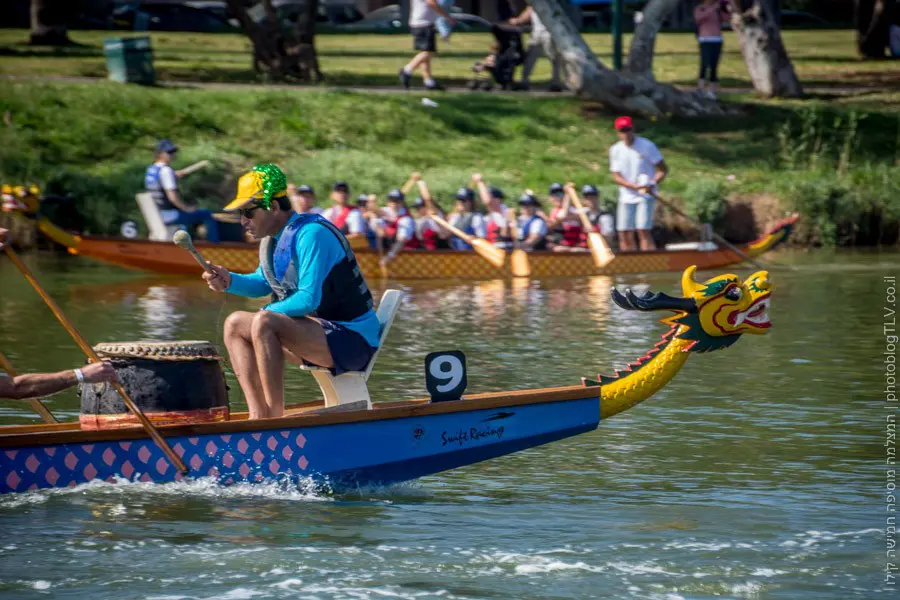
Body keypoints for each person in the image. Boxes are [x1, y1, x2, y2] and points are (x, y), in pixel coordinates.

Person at [201, 164, 380, 420]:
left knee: (265, 320)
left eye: (249, 212)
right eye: (241, 213)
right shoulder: (273, 240)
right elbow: (263, 283)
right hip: (320, 334)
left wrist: (265, 315)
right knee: (235, 324)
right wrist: (229, 280)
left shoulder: (313, 234)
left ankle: (274, 418)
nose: (243, 221)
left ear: (273, 207)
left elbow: (308, 299)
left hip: (354, 342)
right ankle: (258, 416)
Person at [144, 139, 221, 242]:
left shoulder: (152, 169)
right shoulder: (166, 171)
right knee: (207, 215)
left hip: (157, 214)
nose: (173, 154)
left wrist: (174, 175)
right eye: (169, 152)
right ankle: (214, 246)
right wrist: (186, 208)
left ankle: (189, 244)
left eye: (173, 151)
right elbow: (172, 197)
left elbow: (160, 181)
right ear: (160, 154)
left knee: (189, 218)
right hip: (168, 215)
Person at [609, 116, 668, 252]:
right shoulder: (615, 150)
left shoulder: (647, 146)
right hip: (626, 195)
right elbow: (616, 176)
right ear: (618, 132)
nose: (626, 133)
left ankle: (648, 258)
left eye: (628, 129)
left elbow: (663, 170)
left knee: (642, 229)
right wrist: (632, 186)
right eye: (622, 130)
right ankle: (629, 260)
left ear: (633, 129)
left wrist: (652, 183)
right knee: (624, 231)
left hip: (645, 194)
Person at [508, 1, 564, 92]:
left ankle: (556, 82)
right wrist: (518, 20)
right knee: (531, 56)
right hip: (538, 32)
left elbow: (529, 11)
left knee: (552, 57)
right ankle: (525, 81)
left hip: (549, 31)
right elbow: (529, 10)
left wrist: (517, 20)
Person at [399, 0, 455, 91]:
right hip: (424, 24)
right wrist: (446, 16)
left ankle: (429, 82)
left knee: (425, 55)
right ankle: (406, 70)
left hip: (419, 22)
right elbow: (431, 2)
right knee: (428, 52)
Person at [693, 0, 729, 99]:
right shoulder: (700, 8)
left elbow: (726, 19)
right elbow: (699, 18)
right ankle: (700, 89)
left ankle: (712, 91)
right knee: (704, 64)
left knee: (714, 66)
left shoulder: (718, 10)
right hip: (705, 39)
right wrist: (712, 8)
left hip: (717, 40)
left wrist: (725, 9)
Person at [381, 189, 420, 266]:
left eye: (397, 201)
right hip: (389, 250)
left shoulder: (406, 220)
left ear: (401, 203)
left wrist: (389, 256)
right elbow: (375, 211)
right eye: (392, 200)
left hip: (407, 255)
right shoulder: (386, 211)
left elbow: (401, 240)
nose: (394, 203)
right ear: (388, 202)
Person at [473, 174, 511, 249]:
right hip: (492, 249)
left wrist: (480, 182)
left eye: (490, 196)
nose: (488, 199)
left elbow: (487, 201)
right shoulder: (489, 216)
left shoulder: (507, 213)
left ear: (498, 199)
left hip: (504, 249)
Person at [545, 182, 583, 250]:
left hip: (577, 244)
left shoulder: (575, 209)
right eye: (554, 195)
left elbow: (565, 215)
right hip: (563, 244)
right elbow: (561, 216)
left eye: (560, 194)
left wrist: (568, 194)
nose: (558, 198)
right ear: (550, 198)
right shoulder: (554, 212)